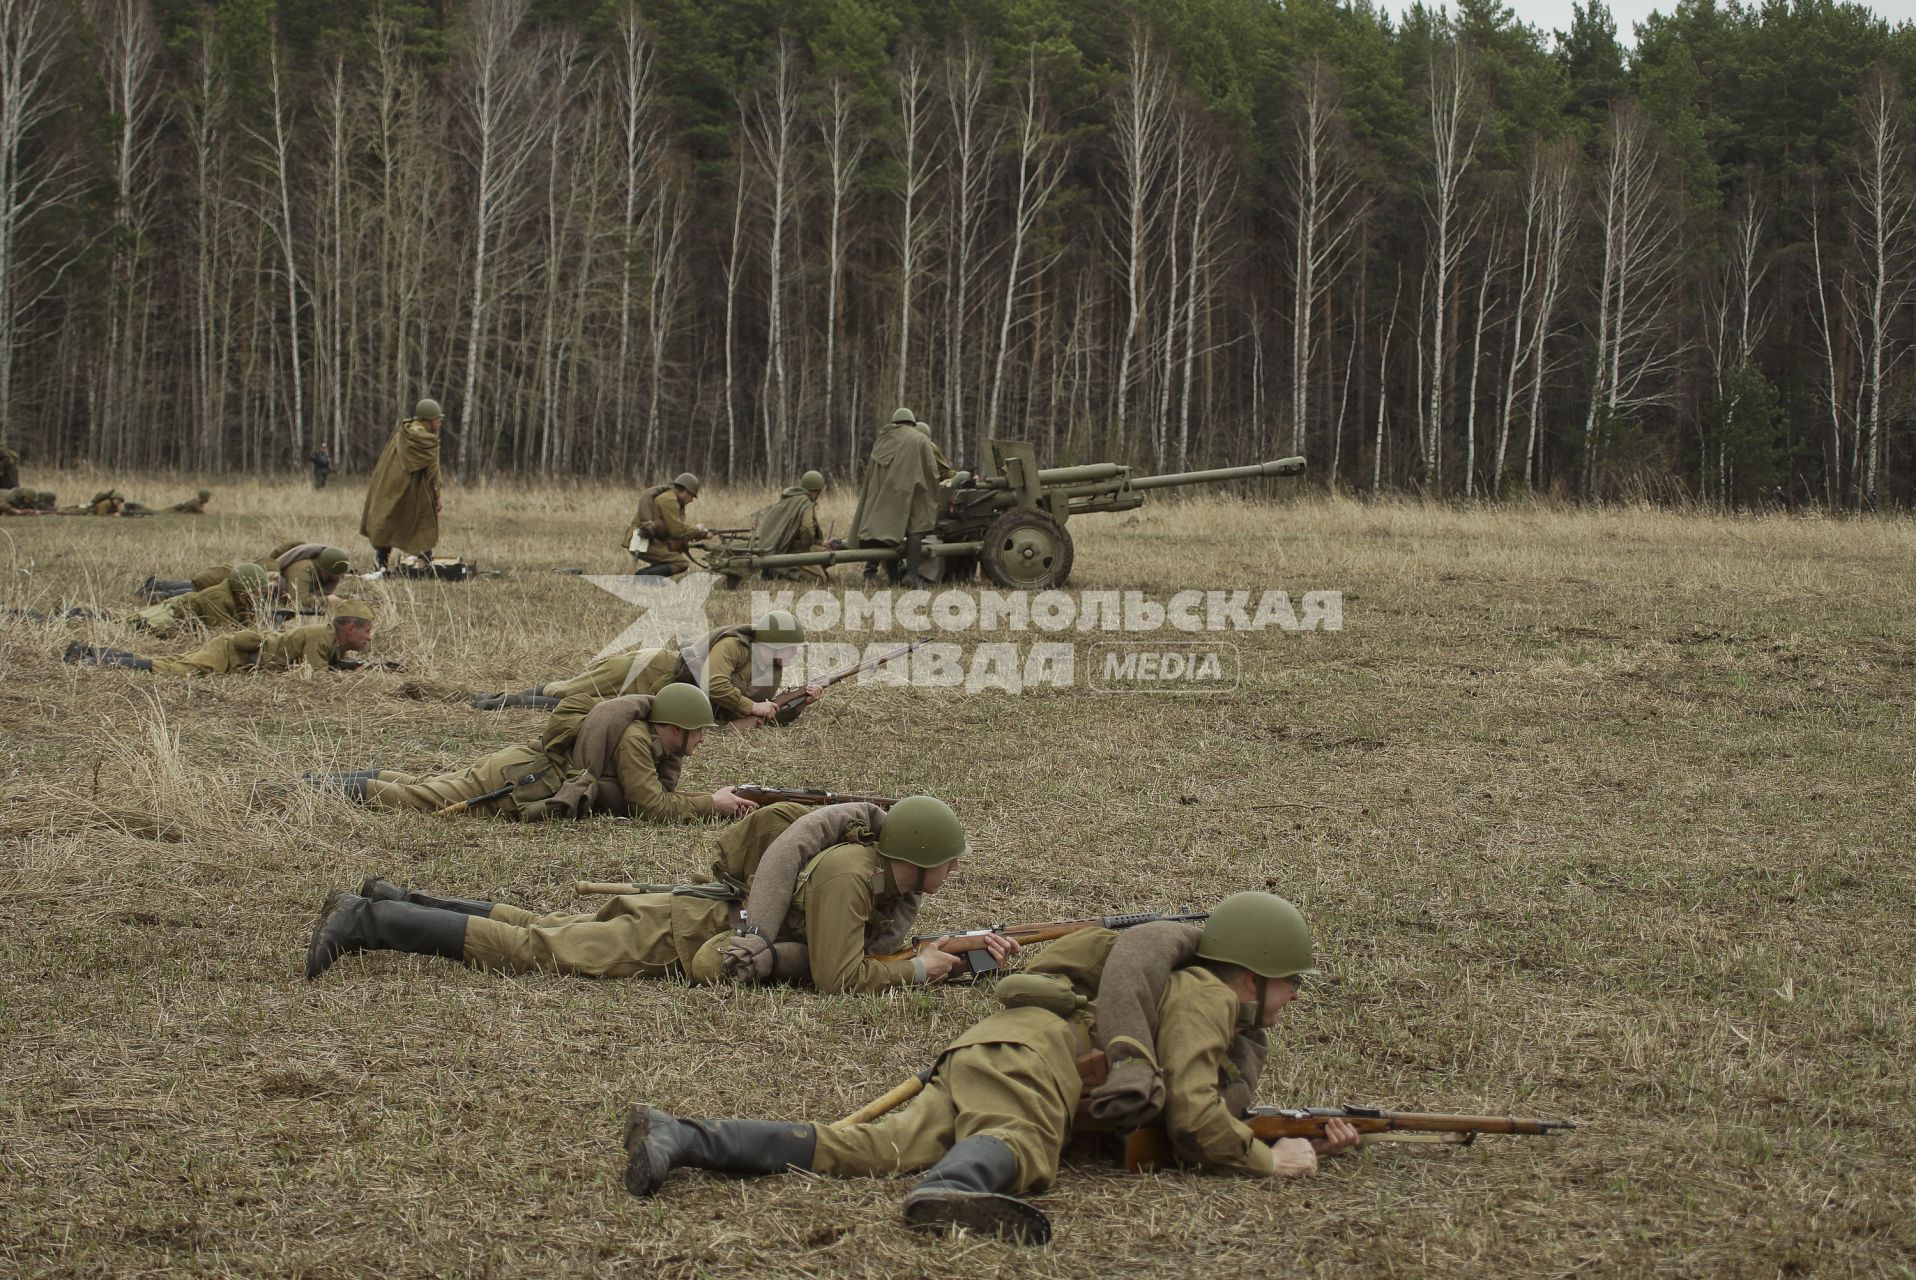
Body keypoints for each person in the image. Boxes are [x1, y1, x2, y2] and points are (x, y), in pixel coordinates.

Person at [618, 892, 1358, 1245]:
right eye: (1290, 980)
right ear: (1253, 976)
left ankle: (682, 1138)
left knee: (870, 1147)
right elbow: (1196, 1121)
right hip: (1033, 1063)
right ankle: (951, 1189)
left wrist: (1294, 1133)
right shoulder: (1204, 995)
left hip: (996, 1048)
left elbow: (1182, 1113)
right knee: (1021, 1144)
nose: (1294, 995)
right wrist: (1268, 1159)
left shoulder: (1188, 992)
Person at [304, 795, 1004, 997]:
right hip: (677, 931)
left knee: (546, 925)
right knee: (538, 950)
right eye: (950, 861)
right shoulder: (852, 875)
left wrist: (947, 949)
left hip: (692, 916)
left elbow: (866, 951)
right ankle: (369, 919)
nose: (955, 870)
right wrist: (917, 971)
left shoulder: (871, 871)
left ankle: (399, 896)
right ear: (917, 860)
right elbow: (841, 975)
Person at [311, 683, 758, 824]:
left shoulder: (649, 738)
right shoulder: (636, 741)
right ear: (676, 729)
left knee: (424, 788)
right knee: (423, 800)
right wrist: (711, 804)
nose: (701, 740)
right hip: (518, 781)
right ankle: (312, 790)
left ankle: (328, 783)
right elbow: (652, 806)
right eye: (697, 733)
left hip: (521, 767)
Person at [472, 612, 818, 724]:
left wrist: (799, 703)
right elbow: (715, 684)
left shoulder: (768, 669)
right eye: (789, 647)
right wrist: (749, 706)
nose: (792, 654)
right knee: (568, 690)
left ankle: (509, 699)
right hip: (651, 668)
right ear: (769, 643)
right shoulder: (735, 646)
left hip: (663, 694)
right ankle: (500, 701)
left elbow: (765, 712)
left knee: (590, 705)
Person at [64, 600, 379, 676]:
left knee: (173, 662)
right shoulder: (318, 637)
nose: (369, 637)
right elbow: (315, 675)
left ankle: (91, 652)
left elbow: (332, 664)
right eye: (365, 630)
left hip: (240, 655)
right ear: (349, 630)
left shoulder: (328, 639)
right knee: (175, 668)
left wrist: (359, 667)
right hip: (232, 653)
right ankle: (92, 659)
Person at [850, 408, 943, 585]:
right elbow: (931, 472)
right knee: (917, 527)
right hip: (911, 493)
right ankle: (912, 576)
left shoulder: (882, 439)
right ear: (912, 423)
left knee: (885, 530)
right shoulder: (920, 439)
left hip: (884, 493)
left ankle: (885, 576)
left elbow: (872, 471)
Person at [361, 398, 442, 579]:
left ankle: (381, 563)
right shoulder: (427, 441)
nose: (439, 422)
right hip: (413, 489)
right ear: (429, 420)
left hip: (390, 486)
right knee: (424, 519)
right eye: (438, 419)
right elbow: (433, 472)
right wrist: (437, 495)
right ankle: (424, 564)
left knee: (387, 520)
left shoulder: (402, 433)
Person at [129, 562, 270, 636]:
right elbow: (221, 633)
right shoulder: (219, 598)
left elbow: (242, 620)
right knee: (129, 622)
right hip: (168, 615)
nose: (263, 598)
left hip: (176, 614)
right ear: (244, 593)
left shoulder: (237, 597)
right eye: (261, 593)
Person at [751, 470, 837, 583]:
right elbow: (806, 528)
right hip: (783, 551)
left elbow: (794, 533)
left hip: (780, 547)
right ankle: (779, 571)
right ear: (817, 490)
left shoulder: (790, 499)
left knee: (828, 552)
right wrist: (806, 548)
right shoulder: (805, 502)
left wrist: (822, 543)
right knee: (820, 579)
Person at [626, 472, 706, 578]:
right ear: (685, 491)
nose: (691, 500)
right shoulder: (669, 501)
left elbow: (673, 529)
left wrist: (698, 534)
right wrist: (697, 529)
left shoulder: (669, 497)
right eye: (691, 496)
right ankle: (643, 577)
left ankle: (650, 578)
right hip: (641, 541)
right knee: (681, 563)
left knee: (677, 549)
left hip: (643, 539)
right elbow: (677, 531)